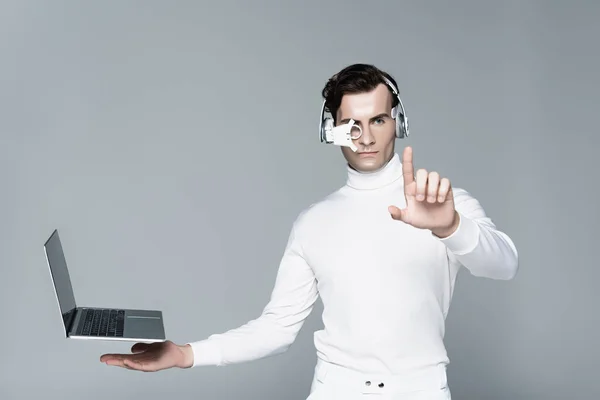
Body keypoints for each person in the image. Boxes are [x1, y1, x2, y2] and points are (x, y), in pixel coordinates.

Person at [100, 64, 518, 399]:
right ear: (330, 129)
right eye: (351, 123)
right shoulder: (314, 221)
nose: (365, 137)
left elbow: (504, 264)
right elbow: (277, 328)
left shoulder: (442, 201)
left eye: (378, 120)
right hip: (335, 390)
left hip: (421, 391)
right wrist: (185, 354)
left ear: (398, 123)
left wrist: (451, 227)